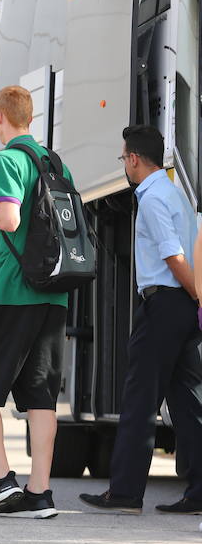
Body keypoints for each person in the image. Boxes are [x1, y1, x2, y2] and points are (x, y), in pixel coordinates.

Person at [0, 85, 72, 519]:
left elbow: (9, 218)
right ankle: (39, 492)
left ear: (0, 118)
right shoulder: (55, 163)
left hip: (9, 291)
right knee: (40, 394)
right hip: (53, 294)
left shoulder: (6, 159)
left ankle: (1, 480)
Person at [80, 125, 202, 515]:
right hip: (181, 307)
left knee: (139, 399)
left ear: (133, 158)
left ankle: (126, 493)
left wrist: (199, 294)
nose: (124, 164)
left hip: (163, 304)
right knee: (188, 401)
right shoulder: (176, 193)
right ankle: (199, 491)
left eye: (123, 158)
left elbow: (173, 256)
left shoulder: (151, 199)